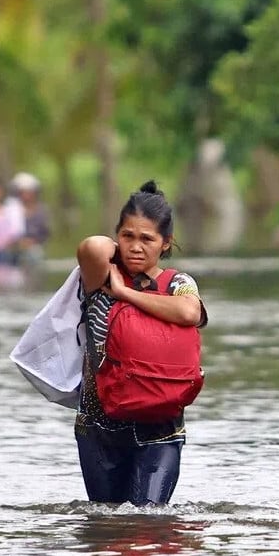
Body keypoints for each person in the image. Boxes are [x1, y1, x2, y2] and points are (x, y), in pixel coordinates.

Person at [75, 181, 207, 506]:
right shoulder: (102, 275)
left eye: (147, 239)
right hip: (99, 426)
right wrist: (115, 264)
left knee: (147, 522)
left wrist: (125, 294)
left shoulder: (178, 283)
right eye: (127, 236)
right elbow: (92, 245)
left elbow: (191, 312)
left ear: (166, 243)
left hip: (160, 430)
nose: (136, 247)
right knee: (107, 526)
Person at [10, 172, 50, 265]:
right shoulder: (11, 210)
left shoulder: (42, 210)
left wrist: (33, 241)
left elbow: (45, 232)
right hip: (13, 248)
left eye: (29, 191)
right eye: (23, 192)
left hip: (35, 247)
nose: (26, 195)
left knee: (35, 254)